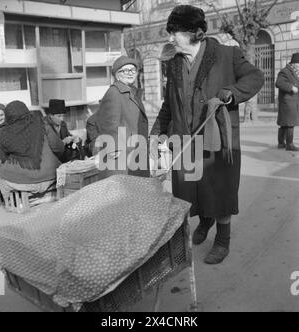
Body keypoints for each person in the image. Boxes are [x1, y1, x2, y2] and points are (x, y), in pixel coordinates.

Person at [150, 5, 265, 264]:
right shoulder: (174, 64)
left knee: (219, 190)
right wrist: (157, 131)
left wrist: (232, 92)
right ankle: (205, 221)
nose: (170, 38)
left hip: (217, 140)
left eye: (175, 32)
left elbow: (256, 77)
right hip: (185, 141)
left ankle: (223, 240)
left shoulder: (227, 55)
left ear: (196, 33)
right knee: (193, 190)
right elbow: (169, 103)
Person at [86, 55, 149, 178]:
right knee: (125, 192)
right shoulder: (114, 93)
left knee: (137, 192)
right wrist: (114, 147)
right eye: (125, 70)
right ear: (117, 74)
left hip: (134, 151)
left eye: (133, 70)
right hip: (122, 156)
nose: (130, 73)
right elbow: (108, 123)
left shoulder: (133, 92)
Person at [0, 101, 65, 203]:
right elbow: (59, 148)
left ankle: (11, 202)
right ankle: (46, 196)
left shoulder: (4, 133)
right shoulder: (43, 124)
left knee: (0, 173)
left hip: (24, 182)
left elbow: (3, 157)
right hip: (52, 176)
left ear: (8, 116)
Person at [275, 52, 299, 151]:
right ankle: (289, 144)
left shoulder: (295, 72)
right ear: (295, 64)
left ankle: (281, 143)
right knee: (289, 123)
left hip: (293, 101)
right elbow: (279, 83)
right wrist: (291, 87)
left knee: (284, 123)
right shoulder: (285, 71)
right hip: (287, 101)